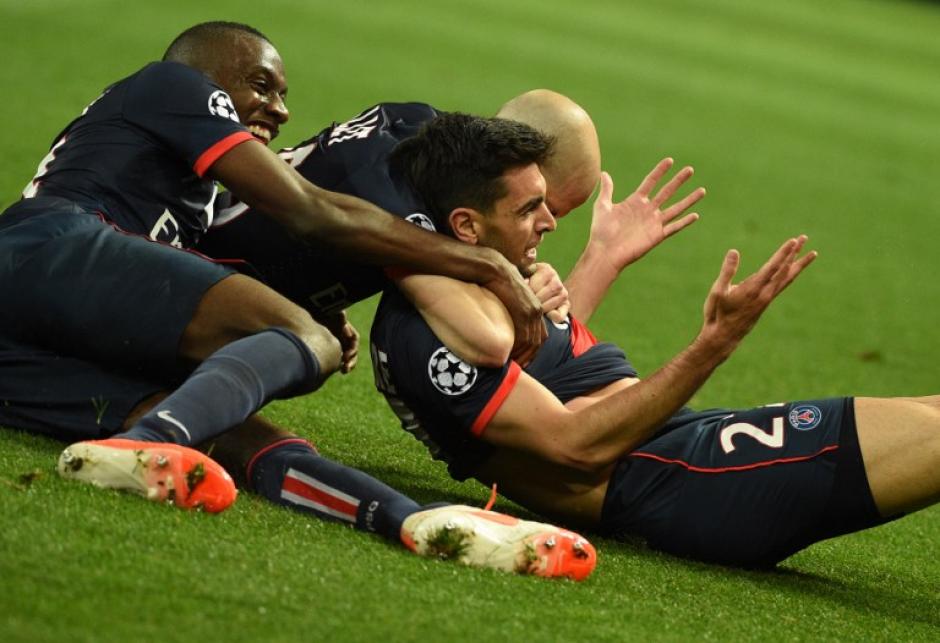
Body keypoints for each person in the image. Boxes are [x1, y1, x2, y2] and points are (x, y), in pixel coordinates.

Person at [0, 22, 595, 580]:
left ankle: (409, 519)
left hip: (35, 325)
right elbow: (311, 211)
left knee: (228, 432)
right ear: (203, 70)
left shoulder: (186, 186)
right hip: (50, 242)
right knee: (307, 339)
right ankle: (150, 440)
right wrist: (486, 264)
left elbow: (186, 257)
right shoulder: (172, 83)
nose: (280, 111)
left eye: (283, 96)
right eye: (261, 85)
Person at [369, 112, 940, 568]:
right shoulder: (433, 335)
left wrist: (603, 258)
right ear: (466, 225)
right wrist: (714, 342)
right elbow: (572, 448)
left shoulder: (470, 286)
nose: (550, 221)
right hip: (688, 482)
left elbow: (544, 364)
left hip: (691, 453)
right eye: (529, 208)